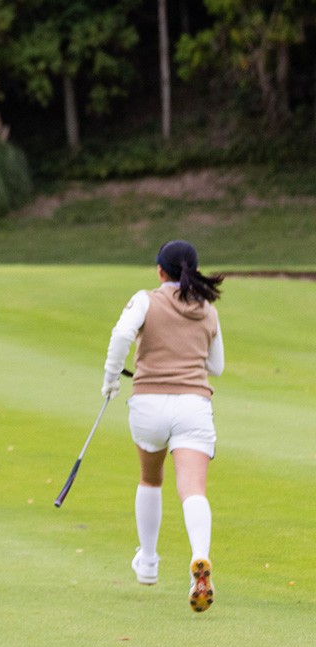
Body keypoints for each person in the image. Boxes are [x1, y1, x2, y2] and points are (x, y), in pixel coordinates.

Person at [102, 239, 224, 612]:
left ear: (160, 271)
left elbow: (122, 334)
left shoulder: (146, 299)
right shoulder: (207, 310)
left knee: (150, 479)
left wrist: (111, 377)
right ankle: (199, 559)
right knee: (193, 490)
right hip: (193, 405)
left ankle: (149, 564)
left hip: (149, 404)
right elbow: (216, 367)